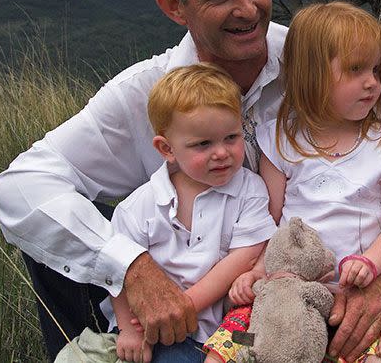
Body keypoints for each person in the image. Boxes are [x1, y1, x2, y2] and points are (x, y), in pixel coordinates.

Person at [0, 0, 381, 362]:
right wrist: (128, 267)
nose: (247, 8)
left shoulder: (322, 62)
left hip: (299, 291)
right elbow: (20, 187)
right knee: (66, 233)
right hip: (200, 315)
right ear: (173, 6)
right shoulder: (144, 92)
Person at [203, 1, 381, 363]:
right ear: (313, 74)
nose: (372, 82)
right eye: (356, 70)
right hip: (285, 296)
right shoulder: (281, 141)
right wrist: (255, 272)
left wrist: (372, 264)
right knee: (231, 345)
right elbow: (267, 222)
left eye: (376, 69)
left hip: (362, 295)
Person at [105, 63, 276, 362]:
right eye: (203, 144)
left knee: (268, 346)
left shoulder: (249, 189)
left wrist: (183, 306)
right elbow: (117, 270)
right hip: (156, 330)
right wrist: (128, 330)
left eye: (231, 138)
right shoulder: (140, 206)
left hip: (225, 327)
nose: (221, 152)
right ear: (167, 149)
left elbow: (244, 256)